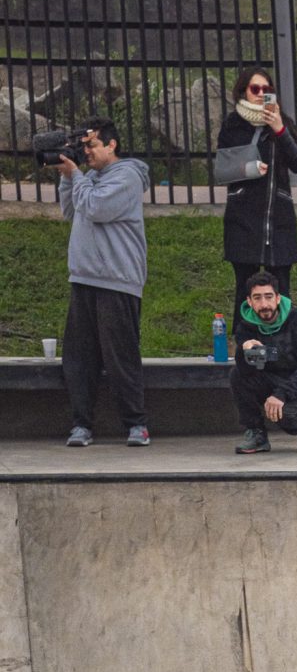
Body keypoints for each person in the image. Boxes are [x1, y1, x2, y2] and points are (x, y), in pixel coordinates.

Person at [56, 119, 150, 448]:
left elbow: (96, 208)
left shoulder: (128, 176)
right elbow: (71, 211)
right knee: (79, 359)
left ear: (112, 145)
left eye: (92, 145)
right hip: (84, 277)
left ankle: (136, 424)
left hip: (117, 279)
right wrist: (67, 177)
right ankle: (81, 425)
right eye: (83, 147)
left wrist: (76, 176)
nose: (87, 152)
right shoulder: (89, 178)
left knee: (120, 357)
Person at [218, 65, 297, 333]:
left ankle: (283, 341)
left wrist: (279, 129)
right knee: (245, 287)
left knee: (280, 287)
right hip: (243, 219)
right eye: (255, 88)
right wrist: (249, 168)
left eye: (266, 89)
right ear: (243, 91)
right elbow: (222, 168)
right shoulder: (233, 124)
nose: (260, 94)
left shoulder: (282, 122)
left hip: (277, 219)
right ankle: (244, 342)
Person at [231, 271, 297, 455]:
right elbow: (248, 371)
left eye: (268, 297)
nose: (264, 304)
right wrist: (244, 352)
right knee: (237, 375)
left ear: (277, 298)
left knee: (287, 415)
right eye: (257, 298)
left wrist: (281, 395)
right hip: (271, 381)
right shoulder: (246, 327)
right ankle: (256, 433)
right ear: (249, 302)